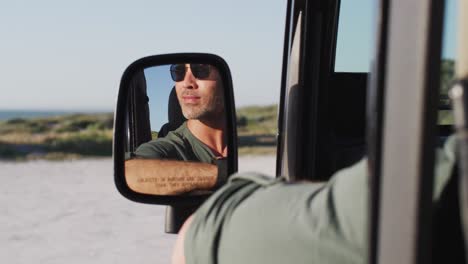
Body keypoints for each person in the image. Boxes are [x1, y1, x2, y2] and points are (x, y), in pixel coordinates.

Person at [171, 135, 458, 264]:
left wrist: (202, 222)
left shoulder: (448, 177)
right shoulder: (173, 142)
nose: (187, 80)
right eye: (177, 73)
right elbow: (135, 166)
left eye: (199, 69)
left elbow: (196, 238)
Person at [125, 64, 228, 195]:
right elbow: (130, 173)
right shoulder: (169, 148)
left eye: (201, 70)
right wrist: (223, 173)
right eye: (179, 72)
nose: (186, 83)